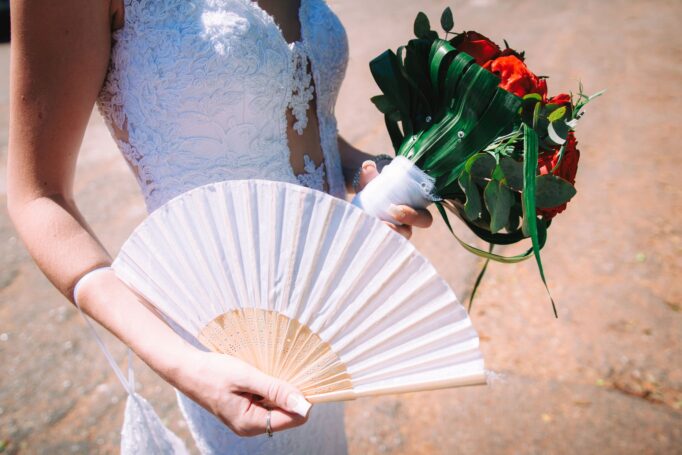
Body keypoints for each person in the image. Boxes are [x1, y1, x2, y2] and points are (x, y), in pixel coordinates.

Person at [6, 0, 432, 453]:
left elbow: (301, 116)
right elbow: (38, 196)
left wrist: (379, 176)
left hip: (330, 299)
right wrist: (182, 364)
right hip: (229, 339)